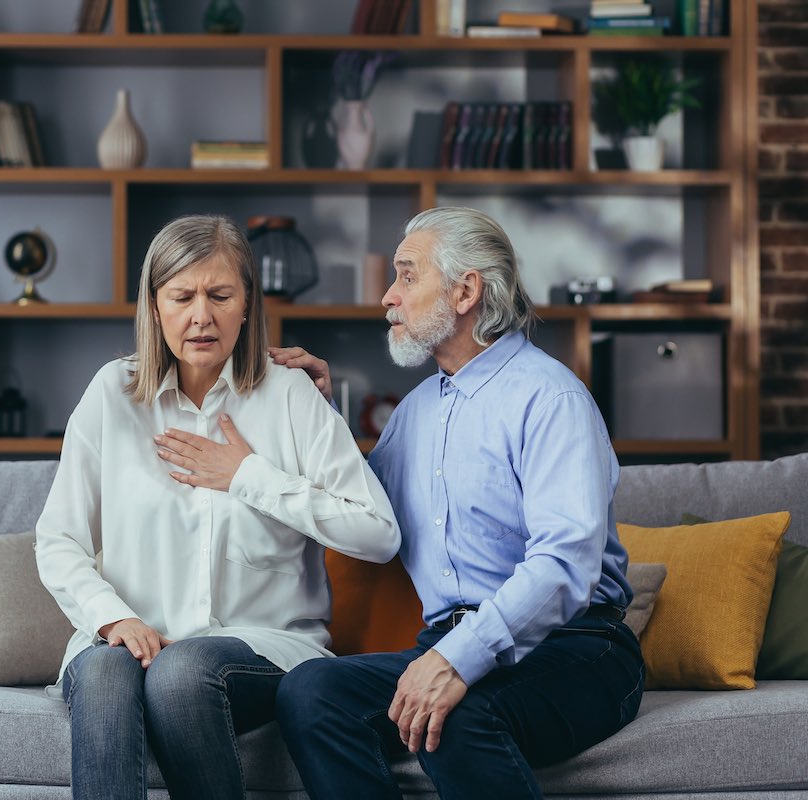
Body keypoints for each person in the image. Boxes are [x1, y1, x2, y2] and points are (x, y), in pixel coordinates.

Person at [271, 206, 643, 800]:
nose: (388, 297)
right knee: (311, 692)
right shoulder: (414, 413)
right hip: (445, 641)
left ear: (465, 290)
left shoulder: (550, 398)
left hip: (577, 648)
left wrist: (459, 661)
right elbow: (361, 509)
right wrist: (317, 418)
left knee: (453, 715)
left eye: (406, 275)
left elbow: (566, 562)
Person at [34, 214, 400, 800]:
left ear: (248, 304)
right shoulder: (112, 393)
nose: (201, 315)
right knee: (104, 670)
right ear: (155, 308)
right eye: (181, 296)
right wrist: (112, 617)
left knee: (180, 675)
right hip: (129, 636)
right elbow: (59, 538)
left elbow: (378, 532)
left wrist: (248, 476)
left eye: (220, 295)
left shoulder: (290, 394)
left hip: (262, 645)